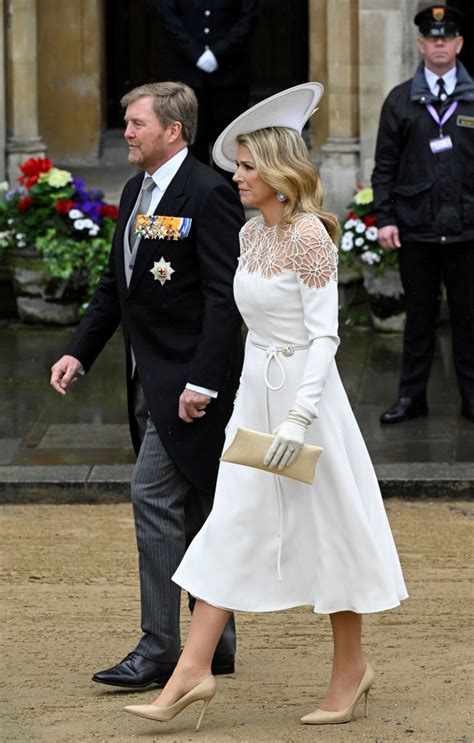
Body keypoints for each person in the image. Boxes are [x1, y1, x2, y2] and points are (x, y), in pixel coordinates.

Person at [124, 83, 408, 731]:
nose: (237, 175)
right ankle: (191, 670)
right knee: (232, 522)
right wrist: (248, 405)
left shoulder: (310, 235)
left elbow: (325, 336)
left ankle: (351, 668)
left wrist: (299, 417)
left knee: (332, 533)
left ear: (279, 169)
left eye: (248, 166)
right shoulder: (253, 235)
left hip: (306, 409)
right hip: (256, 403)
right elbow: (247, 328)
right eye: (239, 164)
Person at [50, 81, 245, 688]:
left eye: (136, 124)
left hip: (190, 387)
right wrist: (79, 352)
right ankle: (220, 644)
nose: (127, 133)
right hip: (147, 379)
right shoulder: (136, 190)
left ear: (173, 131)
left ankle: (160, 648)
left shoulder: (209, 194)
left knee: (154, 499)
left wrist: (205, 383)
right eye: (127, 123)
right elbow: (119, 288)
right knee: (191, 504)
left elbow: (224, 299)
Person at [372, 4, 474, 424]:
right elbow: (384, 167)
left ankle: (472, 399)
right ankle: (411, 398)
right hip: (416, 230)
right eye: (432, 38)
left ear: (459, 44)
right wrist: (385, 218)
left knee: (469, 322)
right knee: (419, 320)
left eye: (446, 37)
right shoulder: (400, 100)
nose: (439, 44)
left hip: (468, 230)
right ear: (420, 44)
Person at [155, 0, 259, 178]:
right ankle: (194, 199)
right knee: (189, 143)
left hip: (230, 75)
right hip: (186, 75)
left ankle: (227, 200)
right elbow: (168, 17)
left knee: (229, 144)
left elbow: (248, 18)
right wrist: (195, 53)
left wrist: (218, 53)